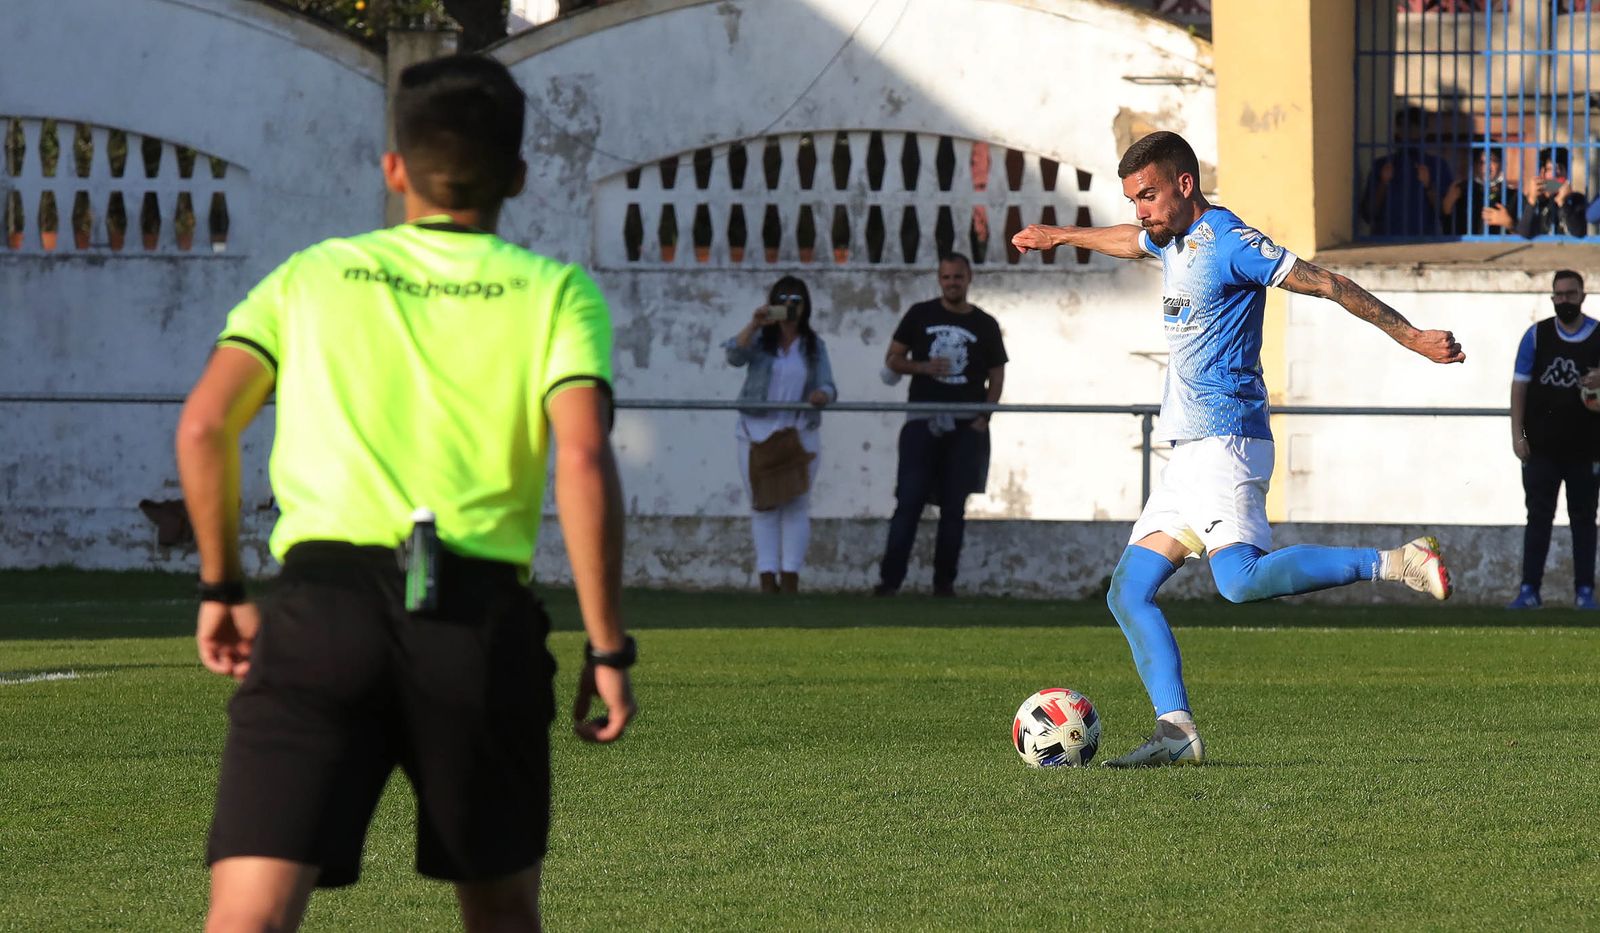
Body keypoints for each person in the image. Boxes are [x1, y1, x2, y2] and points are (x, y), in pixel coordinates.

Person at [175, 55, 636, 930]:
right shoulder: (556, 295)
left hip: (320, 615)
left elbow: (203, 427)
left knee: (248, 917)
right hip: (475, 624)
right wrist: (607, 646)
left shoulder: (310, 276)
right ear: (520, 177)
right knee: (500, 913)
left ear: (395, 170)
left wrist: (221, 586)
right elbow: (582, 460)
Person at [1012, 131, 1464, 768]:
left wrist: (1412, 336)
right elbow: (1129, 239)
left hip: (1226, 439)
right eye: (1133, 199)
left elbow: (1328, 282)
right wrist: (1061, 236)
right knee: (1129, 591)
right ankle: (1176, 731)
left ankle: (1397, 562)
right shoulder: (1170, 237)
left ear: (1185, 185)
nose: (1140, 211)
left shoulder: (1229, 242)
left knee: (1241, 582)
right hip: (1189, 453)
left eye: (1148, 196)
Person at [873, 253, 1007, 597]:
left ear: (969, 278)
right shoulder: (920, 315)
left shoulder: (985, 324)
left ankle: (944, 585)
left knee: (953, 507)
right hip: (921, 421)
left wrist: (985, 415)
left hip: (966, 428)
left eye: (958, 277)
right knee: (909, 502)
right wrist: (922, 368)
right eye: (946, 277)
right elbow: (893, 359)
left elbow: (997, 373)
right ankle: (889, 583)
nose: (952, 283)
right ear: (939, 279)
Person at [725, 275, 837, 594]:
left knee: (796, 503)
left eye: (796, 300)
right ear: (774, 302)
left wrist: (822, 395)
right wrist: (754, 324)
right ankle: (766, 577)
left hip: (798, 431)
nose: (790, 305)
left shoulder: (815, 347)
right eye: (783, 298)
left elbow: (829, 385)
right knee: (762, 504)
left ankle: (790, 577)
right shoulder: (759, 341)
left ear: (806, 306)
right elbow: (734, 356)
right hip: (755, 432)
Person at [1507, 270, 1600, 610]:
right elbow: (1519, 387)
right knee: (1538, 519)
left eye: (1571, 294)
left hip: (1587, 449)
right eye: (1559, 295)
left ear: (1583, 296)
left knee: (1585, 521)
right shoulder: (1537, 336)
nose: (1565, 301)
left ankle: (1585, 592)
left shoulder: (1598, 336)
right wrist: (1517, 436)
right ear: (1552, 298)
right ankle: (1529, 590)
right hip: (1541, 448)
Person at [1360, 106, 1454, 237]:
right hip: (1384, 243)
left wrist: (1428, 186)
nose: (1408, 132)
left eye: (1414, 127)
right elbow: (1368, 214)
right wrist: (1383, 183)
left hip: (1425, 243)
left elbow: (1446, 213)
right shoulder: (1382, 165)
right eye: (1403, 126)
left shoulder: (1437, 166)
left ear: (1424, 131)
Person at [1497, 146, 1589, 239]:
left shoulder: (1577, 200)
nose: (1556, 173)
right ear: (1542, 173)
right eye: (1549, 169)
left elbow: (1579, 233)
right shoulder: (1530, 201)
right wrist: (1532, 201)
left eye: (1560, 168)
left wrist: (1563, 203)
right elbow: (1523, 235)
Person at [1441, 145, 1519, 236]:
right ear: (1474, 165)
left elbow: (1526, 234)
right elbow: (1447, 230)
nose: (1487, 167)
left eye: (1493, 161)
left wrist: (1509, 224)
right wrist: (1446, 208)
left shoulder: (1513, 195)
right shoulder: (1462, 192)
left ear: (1501, 164)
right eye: (1481, 162)